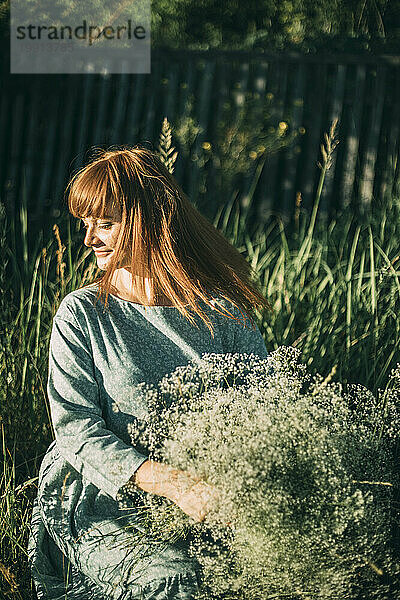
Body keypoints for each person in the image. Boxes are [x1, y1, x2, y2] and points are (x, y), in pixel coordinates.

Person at [28, 145, 272, 599]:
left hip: (208, 501)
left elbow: (261, 411)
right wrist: (175, 484)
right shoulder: (83, 315)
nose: (88, 240)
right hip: (103, 502)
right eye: (86, 225)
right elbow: (75, 429)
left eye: (106, 223)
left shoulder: (225, 316)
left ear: (147, 221)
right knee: (172, 581)